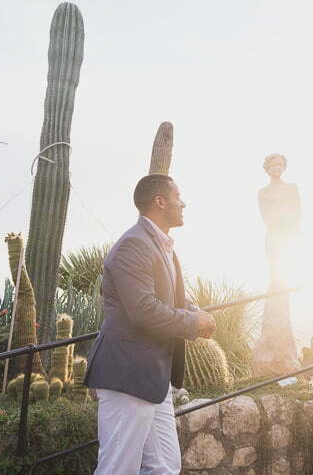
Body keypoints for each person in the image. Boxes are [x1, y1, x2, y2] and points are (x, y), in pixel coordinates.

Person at [84, 174, 217, 473]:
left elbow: (167, 297)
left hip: (154, 379)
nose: (183, 203)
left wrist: (195, 312)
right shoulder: (134, 244)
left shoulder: (161, 244)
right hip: (127, 375)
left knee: (165, 466)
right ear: (160, 201)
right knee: (118, 468)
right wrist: (193, 323)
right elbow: (143, 309)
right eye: (177, 196)